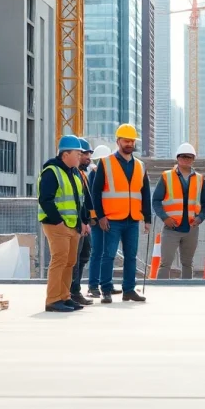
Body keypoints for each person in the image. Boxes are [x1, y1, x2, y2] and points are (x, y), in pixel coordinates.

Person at [91, 124, 151, 303]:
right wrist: (100, 216)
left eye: (132, 141)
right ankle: (106, 289)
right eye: (126, 140)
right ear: (118, 141)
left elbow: (145, 193)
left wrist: (147, 218)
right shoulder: (105, 163)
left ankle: (129, 290)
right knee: (108, 255)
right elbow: (96, 192)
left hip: (132, 218)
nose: (129, 144)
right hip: (112, 218)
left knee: (131, 256)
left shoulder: (140, 165)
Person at [38, 135, 91, 312]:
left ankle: (64, 297)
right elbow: (45, 200)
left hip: (72, 226)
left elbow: (80, 201)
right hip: (57, 225)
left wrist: (83, 222)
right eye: (77, 153)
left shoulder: (74, 173)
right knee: (59, 261)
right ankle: (53, 300)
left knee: (70, 262)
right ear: (65, 154)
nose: (80, 156)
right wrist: (59, 222)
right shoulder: (51, 172)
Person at [151, 143, 205, 279]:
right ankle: (162, 291)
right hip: (171, 228)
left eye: (189, 157)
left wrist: (200, 218)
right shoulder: (167, 176)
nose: (186, 159)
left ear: (193, 159)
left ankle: (187, 291)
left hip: (191, 228)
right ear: (177, 158)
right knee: (165, 264)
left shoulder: (200, 179)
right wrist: (165, 218)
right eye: (183, 156)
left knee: (187, 263)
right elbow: (156, 201)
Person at [68, 138, 95, 306]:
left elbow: (86, 200)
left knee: (84, 254)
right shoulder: (73, 174)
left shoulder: (82, 174)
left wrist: (89, 219)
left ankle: (74, 289)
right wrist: (82, 222)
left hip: (83, 223)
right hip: (75, 224)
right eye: (85, 154)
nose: (88, 158)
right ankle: (73, 291)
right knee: (74, 259)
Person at [86, 144, 114, 298]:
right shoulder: (94, 175)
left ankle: (106, 284)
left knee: (107, 253)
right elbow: (92, 198)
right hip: (98, 220)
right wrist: (94, 217)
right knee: (98, 252)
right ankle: (93, 285)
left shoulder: (105, 174)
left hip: (108, 217)